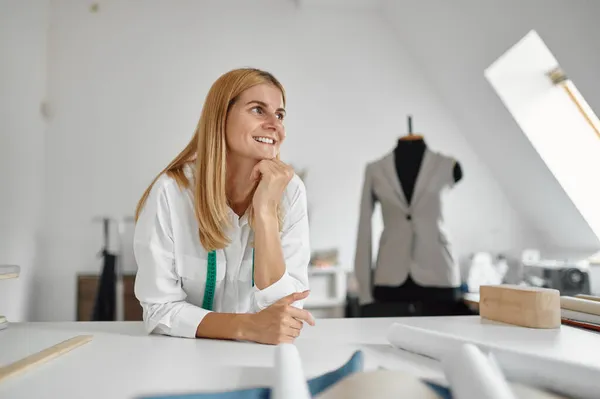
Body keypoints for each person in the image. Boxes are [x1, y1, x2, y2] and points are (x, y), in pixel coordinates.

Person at [133, 67, 315, 344]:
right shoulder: (172, 192)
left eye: (279, 114)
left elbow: (285, 311)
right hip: (180, 356)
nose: (275, 125)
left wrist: (265, 212)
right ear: (221, 117)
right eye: (258, 110)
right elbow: (159, 310)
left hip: (260, 356)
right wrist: (249, 326)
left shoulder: (290, 193)